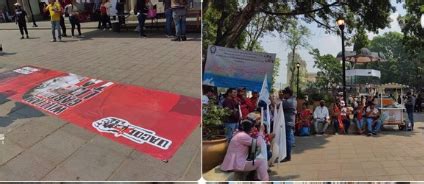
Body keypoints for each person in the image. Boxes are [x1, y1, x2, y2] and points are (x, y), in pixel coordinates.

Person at [281, 87, 296, 162]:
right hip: (289, 121)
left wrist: (271, 99)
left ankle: (288, 156)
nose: (283, 95)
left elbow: (278, 105)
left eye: (284, 93)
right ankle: (287, 155)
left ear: (288, 94)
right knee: (288, 138)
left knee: (287, 139)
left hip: (287, 122)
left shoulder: (289, 101)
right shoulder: (292, 100)